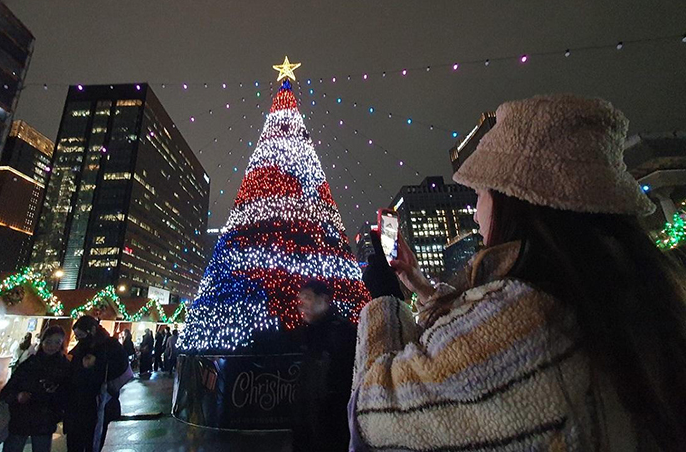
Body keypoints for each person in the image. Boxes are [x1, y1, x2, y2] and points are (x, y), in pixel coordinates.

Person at [352, 94, 686, 451]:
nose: (477, 212)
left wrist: (383, 297)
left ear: (515, 201)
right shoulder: (633, 296)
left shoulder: (530, 316)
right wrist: (415, 280)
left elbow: (374, 406)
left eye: (480, 193)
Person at [291, 279, 356, 452]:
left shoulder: (342, 333)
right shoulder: (308, 334)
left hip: (333, 429)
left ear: (325, 300)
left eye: (308, 297)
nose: (302, 304)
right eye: (300, 299)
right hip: (310, 428)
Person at [0, 325, 70, 452]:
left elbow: (67, 393)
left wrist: (56, 403)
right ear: (42, 341)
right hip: (21, 418)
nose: (52, 346)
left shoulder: (64, 366)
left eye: (57, 342)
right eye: (48, 342)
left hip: (45, 420)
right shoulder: (30, 363)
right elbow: (8, 390)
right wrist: (18, 396)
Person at [65, 316, 129, 452]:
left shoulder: (110, 345)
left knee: (94, 439)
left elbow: (121, 366)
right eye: (77, 336)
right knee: (75, 441)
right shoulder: (81, 348)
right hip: (77, 403)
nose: (79, 339)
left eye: (81, 335)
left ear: (92, 330)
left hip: (99, 401)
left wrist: (97, 362)